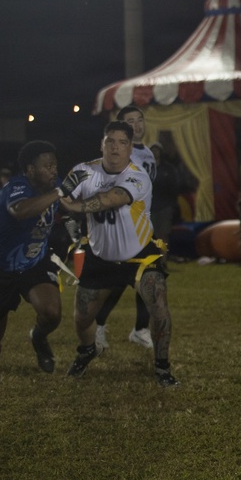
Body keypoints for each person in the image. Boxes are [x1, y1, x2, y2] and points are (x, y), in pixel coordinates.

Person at [58, 121, 179, 387]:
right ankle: (88, 349)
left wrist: (75, 205)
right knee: (81, 317)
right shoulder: (83, 170)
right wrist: (59, 196)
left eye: (122, 143)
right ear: (101, 144)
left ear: (129, 149)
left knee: (159, 308)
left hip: (139, 256)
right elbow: (61, 194)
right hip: (100, 256)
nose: (115, 147)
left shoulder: (138, 175)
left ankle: (162, 367)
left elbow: (113, 198)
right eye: (110, 141)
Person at [0, 141, 88, 393]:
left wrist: (76, 235)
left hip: (34, 261)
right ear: (29, 170)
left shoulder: (54, 185)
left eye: (54, 165)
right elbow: (20, 211)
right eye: (46, 166)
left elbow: (66, 211)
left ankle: (38, 336)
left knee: (52, 313)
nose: (53, 170)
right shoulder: (16, 186)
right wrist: (59, 193)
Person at [92, 105, 155, 351]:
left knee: (148, 277)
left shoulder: (147, 152)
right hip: (121, 226)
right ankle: (98, 326)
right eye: (130, 121)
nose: (137, 125)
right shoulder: (120, 153)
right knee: (117, 283)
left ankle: (140, 329)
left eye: (140, 120)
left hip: (141, 226)